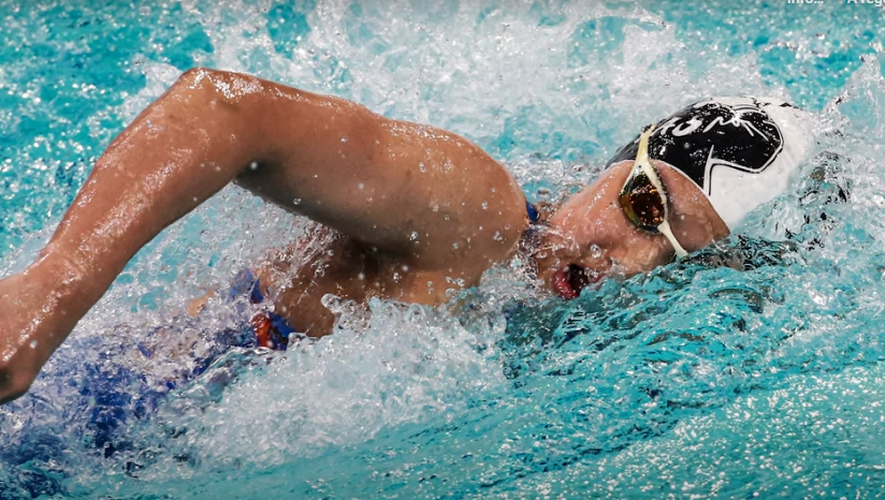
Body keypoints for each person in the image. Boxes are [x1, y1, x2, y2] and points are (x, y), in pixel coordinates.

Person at [0, 68, 812, 405]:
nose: (625, 264)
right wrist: (49, 291)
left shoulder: (559, 344)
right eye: (643, 208)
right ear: (618, 160)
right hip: (77, 405)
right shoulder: (479, 212)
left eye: (673, 259)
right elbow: (227, 109)